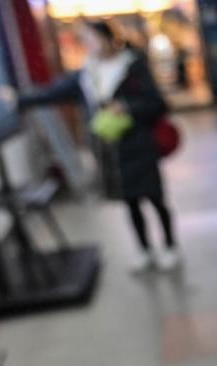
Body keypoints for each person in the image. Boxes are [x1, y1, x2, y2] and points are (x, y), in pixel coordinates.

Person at [21, 20, 180, 272]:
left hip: (139, 144)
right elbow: (54, 92)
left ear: (107, 38)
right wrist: (20, 99)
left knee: (155, 198)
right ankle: (144, 250)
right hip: (112, 151)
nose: (88, 44)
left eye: (91, 37)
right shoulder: (87, 73)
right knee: (130, 202)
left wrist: (126, 107)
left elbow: (157, 104)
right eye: (84, 40)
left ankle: (171, 246)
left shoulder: (132, 67)